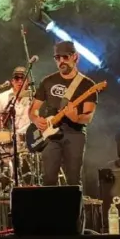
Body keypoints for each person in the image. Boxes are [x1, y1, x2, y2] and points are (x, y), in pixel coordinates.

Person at [30, 41, 99, 187]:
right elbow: (33, 109)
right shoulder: (47, 81)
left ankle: (74, 210)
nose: (61, 61)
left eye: (65, 57)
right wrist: (36, 120)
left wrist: (76, 117)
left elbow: (88, 116)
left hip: (75, 135)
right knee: (48, 180)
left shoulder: (87, 85)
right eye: (57, 58)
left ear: (75, 57)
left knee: (73, 180)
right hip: (50, 137)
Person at [0, 65, 33, 176]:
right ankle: (6, 175)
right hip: (7, 140)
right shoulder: (1, 97)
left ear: (27, 81)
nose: (19, 81)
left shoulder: (34, 97)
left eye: (22, 79)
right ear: (12, 81)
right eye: (16, 79)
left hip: (28, 138)